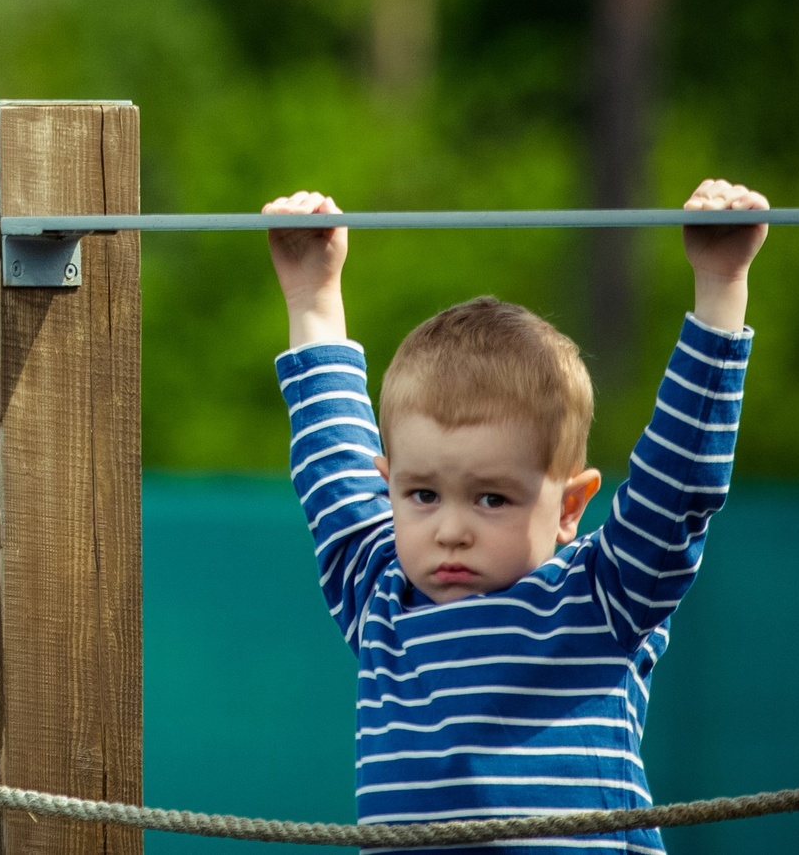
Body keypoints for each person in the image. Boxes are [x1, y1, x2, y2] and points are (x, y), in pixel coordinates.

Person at [261, 180, 770, 850]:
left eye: (491, 498)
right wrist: (311, 293)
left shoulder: (600, 599)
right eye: (421, 495)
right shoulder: (382, 592)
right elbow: (332, 459)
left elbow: (677, 485)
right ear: (388, 490)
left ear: (568, 508)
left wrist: (721, 287)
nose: (450, 528)